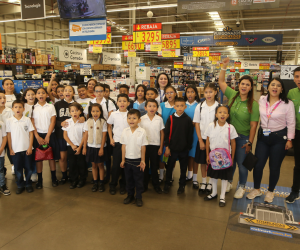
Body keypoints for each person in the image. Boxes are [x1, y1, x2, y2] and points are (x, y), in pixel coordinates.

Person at [246, 78, 295, 203]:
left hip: (279, 138)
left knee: (274, 167)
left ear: (282, 89)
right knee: (258, 165)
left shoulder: (287, 103)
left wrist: (290, 139)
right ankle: (256, 189)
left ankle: (270, 191)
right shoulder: (262, 100)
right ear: (268, 87)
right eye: (272, 85)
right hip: (263, 137)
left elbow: (291, 122)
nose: (275, 87)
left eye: (278, 86)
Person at [219, 57, 259, 199]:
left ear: (250, 88)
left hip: (243, 138)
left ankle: (242, 186)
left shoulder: (253, 104)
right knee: (230, 162)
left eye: (247, 85)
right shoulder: (233, 95)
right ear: (239, 84)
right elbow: (221, 82)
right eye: (242, 83)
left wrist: (249, 142)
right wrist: (224, 66)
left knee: (242, 165)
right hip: (229, 136)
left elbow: (254, 125)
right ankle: (229, 181)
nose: (244, 86)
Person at [204, 105, 238, 207]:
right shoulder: (211, 126)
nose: (222, 114)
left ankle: (222, 196)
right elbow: (208, 141)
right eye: (220, 112)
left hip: (225, 158)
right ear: (216, 115)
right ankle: (214, 193)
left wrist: (232, 157)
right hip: (214, 156)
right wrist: (207, 155)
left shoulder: (230, 128)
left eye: (224, 112)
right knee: (213, 176)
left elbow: (233, 143)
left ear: (228, 115)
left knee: (224, 177)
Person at [55, 85, 85, 185]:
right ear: (62, 93)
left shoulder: (77, 104)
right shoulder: (58, 104)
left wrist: (83, 118)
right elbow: (53, 120)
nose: (67, 92)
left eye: (70, 90)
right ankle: (65, 176)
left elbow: (83, 117)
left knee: (79, 161)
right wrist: (60, 123)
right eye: (65, 90)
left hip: (77, 138)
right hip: (63, 135)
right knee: (64, 158)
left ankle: (80, 179)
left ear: (73, 93)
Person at [163, 97, 193, 194]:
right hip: (172, 149)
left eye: (182, 106)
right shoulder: (171, 119)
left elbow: (190, 134)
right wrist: (167, 147)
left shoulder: (188, 119)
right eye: (177, 106)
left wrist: (188, 147)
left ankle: (181, 185)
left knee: (183, 168)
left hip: (184, 149)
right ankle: (167, 183)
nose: (180, 108)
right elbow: (166, 134)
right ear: (174, 107)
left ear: (185, 106)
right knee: (169, 167)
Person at [31, 87, 60, 189]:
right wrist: (37, 136)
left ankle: (54, 178)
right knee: (39, 158)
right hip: (38, 135)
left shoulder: (51, 106)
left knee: (51, 157)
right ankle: (40, 180)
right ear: (36, 96)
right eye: (38, 93)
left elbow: (53, 121)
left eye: (43, 93)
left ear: (46, 95)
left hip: (50, 134)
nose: (41, 95)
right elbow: (32, 123)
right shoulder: (33, 107)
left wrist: (48, 135)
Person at [193, 83, 219, 194]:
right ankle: (204, 181)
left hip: (214, 140)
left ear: (216, 92)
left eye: (211, 92)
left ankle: (211, 182)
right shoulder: (199, 106)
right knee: (203, 162)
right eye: (206, 92)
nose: (208, 94)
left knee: (213, 162)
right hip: (203, 139)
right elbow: (197, 123)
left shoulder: (219, 107)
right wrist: (200, 140)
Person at [120, 109, 148, 207]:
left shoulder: (142, 131)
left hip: (138, 160)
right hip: (127, 160)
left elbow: (143, 146)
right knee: (129, 180)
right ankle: (130, 195)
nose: (131, 120)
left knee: (139, 180)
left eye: (134, 118)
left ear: (139, 120)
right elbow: (123, 146)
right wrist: (123, 160)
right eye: (129, 118)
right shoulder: (125, 131)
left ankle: (139, 197)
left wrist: (143, 160)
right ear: (127, 119)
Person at [6, 100, 35, 194]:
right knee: (18, 169)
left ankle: (28, 184)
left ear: (23, 109)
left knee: (29, 168)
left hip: (27, 149)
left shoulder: (27, 119)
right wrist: (10, 149)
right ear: (12, 109)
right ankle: (20, 185)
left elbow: (31, 134)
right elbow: (9, 136)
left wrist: (30, 147)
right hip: (15, 150)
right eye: (16, 107)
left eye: (20, 107)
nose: (18, 109)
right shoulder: (9, 121)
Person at [140, 99, 164, 194]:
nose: (152, 108)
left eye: (154, 106)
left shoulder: (159, 119)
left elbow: (162, 133)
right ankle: (144, 185)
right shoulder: (141, 119)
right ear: (145, 108)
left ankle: (156, 185)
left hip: (155, 146)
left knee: (154, 167)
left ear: (157, 108)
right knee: (144, 166)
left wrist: (161, 147)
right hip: (145, 146)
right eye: (149, 106)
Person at [107, 94, 130, 195]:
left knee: (125, 165)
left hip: (128, 144)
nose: (122, 103)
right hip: (117, 142)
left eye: (124, 101)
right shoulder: (113, 114)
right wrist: (111, 138)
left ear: (128, 103)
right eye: (120, 101)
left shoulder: (130, 114)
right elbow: (109, 126)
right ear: (117, 103)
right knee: (116, 165)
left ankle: (123, 185)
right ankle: (113, 184)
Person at [83, 103, 107, 192]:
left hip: (99, 147)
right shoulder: (88, 121)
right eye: (93, 111)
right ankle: (95, 182)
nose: (95, 113)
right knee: (93, 165)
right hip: (90, 146)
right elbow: (85, 135)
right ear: (90, 112)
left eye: (97, 111)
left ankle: (101, 182)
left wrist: (101, 148)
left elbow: (104, 136)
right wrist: (84, 147)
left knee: (100, 165)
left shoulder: (103, 122)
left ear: (101, 112)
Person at [63, 103, 87, 189]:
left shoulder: (83, 122)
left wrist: (80, 147)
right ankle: (74, 180)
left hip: (80, 146)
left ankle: (82, 179)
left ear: (80, 111)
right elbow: (65, 135)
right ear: (70, 113)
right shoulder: (67, 122)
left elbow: (85, 136)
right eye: (72, 111)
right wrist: (72, 145)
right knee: (72, 164)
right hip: (71, 146)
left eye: (77, 110)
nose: (75, 112)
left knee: (81, 164)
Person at [286, 67, 300, 203]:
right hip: (298, 132)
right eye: (296, 76)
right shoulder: (292, 92)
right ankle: (295, 191)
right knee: (298, 164)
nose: (299, 79)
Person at [159, 85, 177, 182]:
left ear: (175, 93)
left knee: (172, 156)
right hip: (164, 134)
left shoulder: (178, 105)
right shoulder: (162, 105)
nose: (169, 95)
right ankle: (161, 175)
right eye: (167, 93)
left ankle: (171, 174)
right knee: (162, 155)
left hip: (175, 134)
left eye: (171, 92)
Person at [184, 85, 200, 189]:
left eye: (192, 92)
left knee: (194, 156)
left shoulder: (199, 105)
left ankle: (195, 178)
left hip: (195, 132)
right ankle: (189, 175)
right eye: (188, 92)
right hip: (184, 133)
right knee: (188, 155)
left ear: (196, 93)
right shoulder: (182, 104)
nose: (190, 94)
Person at [22, 88, 38, 182]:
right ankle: (26, 173)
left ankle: (34, 172)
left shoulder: (38, 106)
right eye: (28, 95)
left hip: (35, 134)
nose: (31, 96)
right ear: (25, 97)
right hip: (25, 135)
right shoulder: (23, 106)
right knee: (26, 155)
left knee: (35, 154)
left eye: (32, 94)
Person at [0, 91, 13, 175]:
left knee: (10, 153)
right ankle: (2, 170)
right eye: (0, 98)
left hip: (8, 136)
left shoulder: (10, 111)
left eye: (4, 97)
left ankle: (14, 166)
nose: (3, 99)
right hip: (0, 137)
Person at [0, 118, 9, 196]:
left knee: (0, 169)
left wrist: (1, 149)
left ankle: (2, 186)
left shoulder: (1, 124)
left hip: (0, 152)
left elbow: (4, 137)